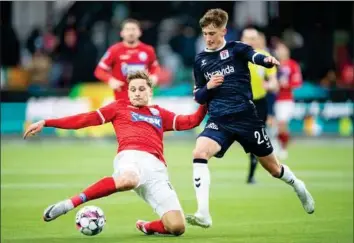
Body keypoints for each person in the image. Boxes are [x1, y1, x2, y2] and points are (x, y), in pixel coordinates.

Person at [23, 71, 207, 236]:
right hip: (130, 158)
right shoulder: (119, 107)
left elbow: (192, 121)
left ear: (150, 91)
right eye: (132, 89)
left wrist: (207, 98)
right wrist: (47, 122)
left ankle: (146, 226)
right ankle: (69, 204)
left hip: (157, 170)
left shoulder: (159, 113)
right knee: (128, 180)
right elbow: (85, 119)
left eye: (141, 89)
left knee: (177, 227)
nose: (136, 93)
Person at [186, 9, 315, 228]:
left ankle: (298, 185)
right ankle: (203, 213)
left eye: (212, 33)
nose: (208, 38)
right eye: (205, 33)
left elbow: (255, 57)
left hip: (247, 119)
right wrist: (208, 87)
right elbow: (198, 96)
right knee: (199, 152)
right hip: (219, 120)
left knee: (274, 169)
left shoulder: (237, 49)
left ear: (223, 31)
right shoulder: (200, 60)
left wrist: (267, 60)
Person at [241, 28, 279, 184]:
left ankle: (251, 175)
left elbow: (274, 82)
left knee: (256, 140)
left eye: (253, 38)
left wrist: (270, 85)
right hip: (240, 102)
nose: (251, 41)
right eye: (248, 38)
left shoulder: (265, 58)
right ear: (242, 39)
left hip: (259, 103)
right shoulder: (235, 55)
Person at [94, 18, 160, 101]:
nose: (131, 33)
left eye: (134, 29)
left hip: (143, 100)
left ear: (140, 32)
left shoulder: (148, 50)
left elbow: (155, 67)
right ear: (122, 33)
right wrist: (110, 80)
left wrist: (154, 76)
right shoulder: (114, 50)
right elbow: (99, 71)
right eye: (127, 29)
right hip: (122, 100)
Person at [274, 43, 303, 160]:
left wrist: (286, 85)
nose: (280, 52)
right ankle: (276, 146)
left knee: (282, 124)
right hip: (273, 99)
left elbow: (298, 83)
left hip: (285, 100)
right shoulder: (272, 64)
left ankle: (283, 148)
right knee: (273, 125)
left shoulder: (293, 65)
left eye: (282, 49)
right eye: (278, 49)